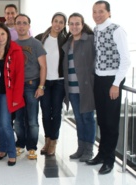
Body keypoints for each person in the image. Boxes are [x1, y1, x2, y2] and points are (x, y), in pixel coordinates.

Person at [86, 1, 131, 175]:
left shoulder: (117, 30)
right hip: (99, 79)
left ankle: (110, 160)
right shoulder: (96, 30)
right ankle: (102, 154)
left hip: (112, 81)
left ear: (109, 13)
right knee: (102, 120)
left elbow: (126, 59)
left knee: (111, 122)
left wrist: (116, 83)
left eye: (101, 11)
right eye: (94, 11)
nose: (97, 14)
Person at [62, 13, 96, 162]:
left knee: (88, 119)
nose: (74, 26)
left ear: (82, 25)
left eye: (77, 23)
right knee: (78, 119)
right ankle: (80, 148)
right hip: (72, 89)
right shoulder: (67, 42)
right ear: (68, 26)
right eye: (72, 24)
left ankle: (89, 150)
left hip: (86, 88)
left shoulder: (90, 40)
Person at [14, 14, 47, 160]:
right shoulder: (12, 44)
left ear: (29, 26)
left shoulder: (36, 44)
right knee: (18, 120)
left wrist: (41, 86)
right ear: (15, 26)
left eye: (24, 23)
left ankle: (32, 147)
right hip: (16, 88)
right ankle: (19, 144)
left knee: (32, 120)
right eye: (18, 23)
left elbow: (43, 66)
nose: (21, 26)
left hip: (32, 86)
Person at [0, 23, 25, 166]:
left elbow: (19, 75)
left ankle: (12, 153)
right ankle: (3, 149)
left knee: (6, 124)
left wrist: (17, 98)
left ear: (8, 34)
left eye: (2, 34)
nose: (0, 37)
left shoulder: (16, 50)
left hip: (8, 93)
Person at [35, 12, 67, 156]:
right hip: (44, 81)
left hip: (59, 82)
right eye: (56, 21)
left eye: (61, 22)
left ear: (64, 25)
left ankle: (54, 141)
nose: (58, 24)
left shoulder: (66, 40)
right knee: (46, 112)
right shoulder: (40, 38)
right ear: (51, 21)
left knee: (56, 112)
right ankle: (47, 140)